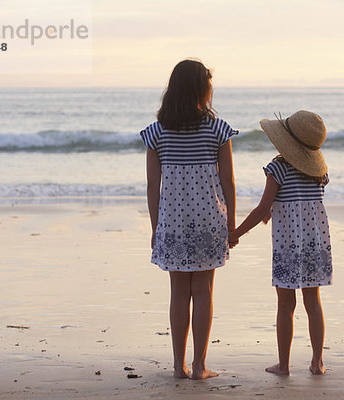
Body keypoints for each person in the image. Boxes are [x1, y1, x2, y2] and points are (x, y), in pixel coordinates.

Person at [140, 59, 238, 380]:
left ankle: (178, 365)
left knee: (179, 291)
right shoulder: (218, 129)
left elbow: (153, 186)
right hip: (210, 218)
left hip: (173, 220)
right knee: (205, 290)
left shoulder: (156, 133)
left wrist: (157, 228)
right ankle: (199, 366)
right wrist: (232, 223)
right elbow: (229, 182)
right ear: (201, 89)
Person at [229, 110, 332, 375]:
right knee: (313, 302)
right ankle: (317, 362)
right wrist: (278, 208)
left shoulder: (277, 169)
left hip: (288, 246)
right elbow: (302, 203)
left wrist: (236, 232)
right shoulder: (319, 174)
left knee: (286, 305)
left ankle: (284, 364)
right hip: (315, 244)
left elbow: (263, 208)